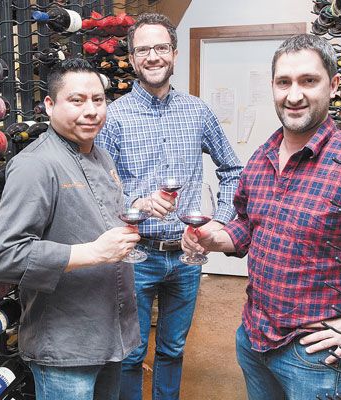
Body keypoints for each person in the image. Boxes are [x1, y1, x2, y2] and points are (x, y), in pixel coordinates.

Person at [181, 34, 341, 399]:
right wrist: (217, 237)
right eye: (284, 82)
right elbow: (247, 225)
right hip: (253, 340)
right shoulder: (262, 156)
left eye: (308, 81)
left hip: (316, 358)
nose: (294, 94)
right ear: (272, 86)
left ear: (333, 85)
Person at [95, 13, 243, 400]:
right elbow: (99, 190)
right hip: (135, 256)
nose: (153, 56)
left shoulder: (197, 110)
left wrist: (219, 225)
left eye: (161, 47)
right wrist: (136, 203)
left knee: (173, 350)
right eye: (143, 49)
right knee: (130, 355)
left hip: (185, 257)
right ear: (130, 57)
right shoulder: (114, 117)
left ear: (174, 54)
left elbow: (232, 169)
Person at [0, 58, 141, 400]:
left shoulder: (101, 155)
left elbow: (96, 216)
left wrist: (136, 209)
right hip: (67, 346)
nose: (91, 111)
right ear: (50, 105)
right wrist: (92, 253)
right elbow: (3, 257)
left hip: (110, 333)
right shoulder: (35, 165)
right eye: (77, 100)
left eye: (98, 100)